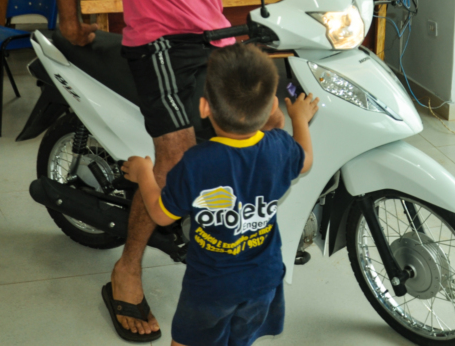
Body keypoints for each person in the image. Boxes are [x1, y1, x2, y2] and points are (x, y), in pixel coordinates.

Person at [52, 0, 374, 340]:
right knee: (175, 159)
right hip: (154, 42)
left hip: (215, 37)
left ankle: (245, 229)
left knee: (273, 120)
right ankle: (127, 271)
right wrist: (70, 19)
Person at [114, 43, 317, 346]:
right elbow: (306, 160)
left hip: (211, 286)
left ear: (205, 107)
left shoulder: (196, 163)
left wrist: (144, 173)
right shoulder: (279, 147)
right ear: (272, 106)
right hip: (264, 279)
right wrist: (299, 118)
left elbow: (160, 214)